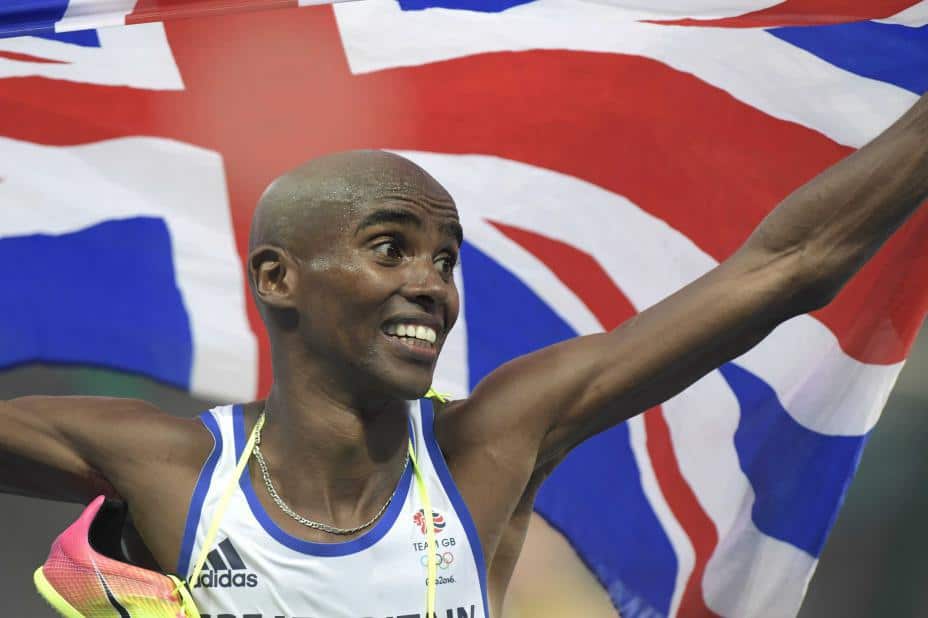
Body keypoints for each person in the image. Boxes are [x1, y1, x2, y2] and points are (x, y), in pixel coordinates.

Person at [3, 89, 928, 618]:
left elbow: (784, 270)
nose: (432, 285)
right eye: (390, 247)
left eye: (446, 260)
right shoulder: (164, 465)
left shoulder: (488, 446)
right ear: (279, 278)